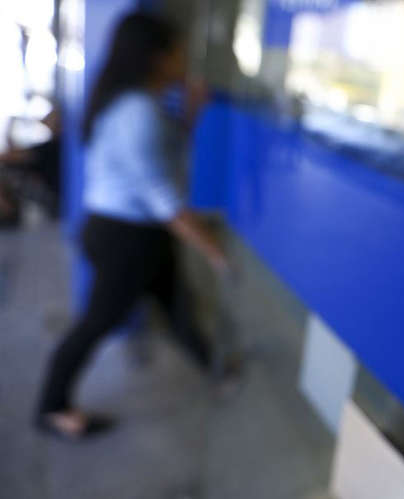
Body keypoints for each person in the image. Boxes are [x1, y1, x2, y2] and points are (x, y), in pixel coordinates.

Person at [34, 12, 228, 440]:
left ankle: (215, 368)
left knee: (176, 305)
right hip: (124, 238)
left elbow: (164, 160)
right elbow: (163, 198)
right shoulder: (137, 111)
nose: (186, 59)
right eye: (179, 51)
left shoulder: (139, 103)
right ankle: (51, 407)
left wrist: (192, 113)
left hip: (133, 232)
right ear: (157, 57)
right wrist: (213, 248)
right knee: (98, 322)